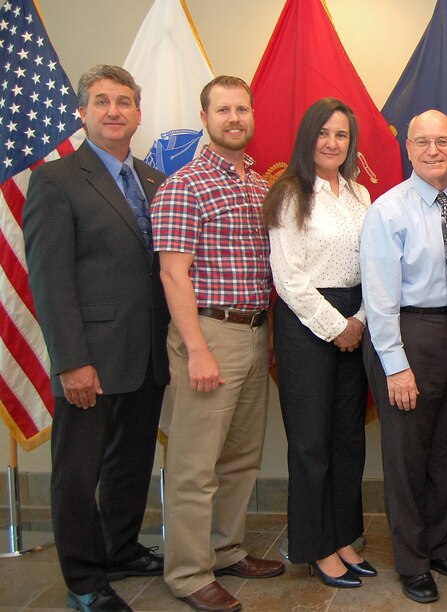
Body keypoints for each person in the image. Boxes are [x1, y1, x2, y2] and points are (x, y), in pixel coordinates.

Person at [23, 64, 168, 612]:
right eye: (102, 101)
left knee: (130, 461)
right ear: (81, 113)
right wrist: (71, 361)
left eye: (124, 101)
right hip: (90, 358)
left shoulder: (154, 180)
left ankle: (121, 548)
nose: (114, 110)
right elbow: (50, 279)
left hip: (148, 354)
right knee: (79, 474)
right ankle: (84, 578)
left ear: (138, 112)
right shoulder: (57, 180)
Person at [152, 75, 284, 612]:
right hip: (207, 333)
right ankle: (187, 572)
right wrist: (197, 348)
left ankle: (226, 549)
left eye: (242, 109)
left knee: (239, 459)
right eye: (223, 110)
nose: (235, 118)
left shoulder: (258, 185)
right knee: (194, 464)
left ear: (252, 116)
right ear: (204, 117)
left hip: (255, 332)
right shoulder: (183, 186)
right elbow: (172, 275)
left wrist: (268, 335)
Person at [359, 109, 447, 605]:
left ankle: (439, 546)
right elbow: (379, 296)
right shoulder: (389, 210)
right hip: (408, 331)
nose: (433, 150)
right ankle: (411, 562)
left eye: (443, 141)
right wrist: (396, 363)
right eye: (423, 142)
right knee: (407, 456)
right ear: (408, 148)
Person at [264, 98, 375, 589]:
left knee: (348, 438)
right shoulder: (290, 194)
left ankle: (345, 535)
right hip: (307, 324)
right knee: (311, 442)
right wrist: (337, 326)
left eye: (342, 135)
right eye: (324, 133)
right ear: (308, 138)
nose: (333, 143)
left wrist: (361, 319)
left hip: (358, 315)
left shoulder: (360, 194)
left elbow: (376, 266)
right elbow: (287, 278)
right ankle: (317, 546)